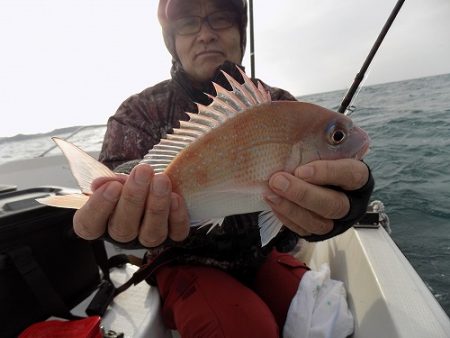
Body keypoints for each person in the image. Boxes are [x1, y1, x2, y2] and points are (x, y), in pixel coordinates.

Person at [74, 0, 374, 336]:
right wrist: (120, 217)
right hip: (182, 263)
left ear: (240, 34)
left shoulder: (281, 106)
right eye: (188, 23)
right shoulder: (139, 113)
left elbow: (321, 192)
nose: (205, 34)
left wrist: (346, 201)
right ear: (171, 40)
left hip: (263, 258)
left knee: (330, 319)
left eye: (221, 19)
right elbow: (120, 178)